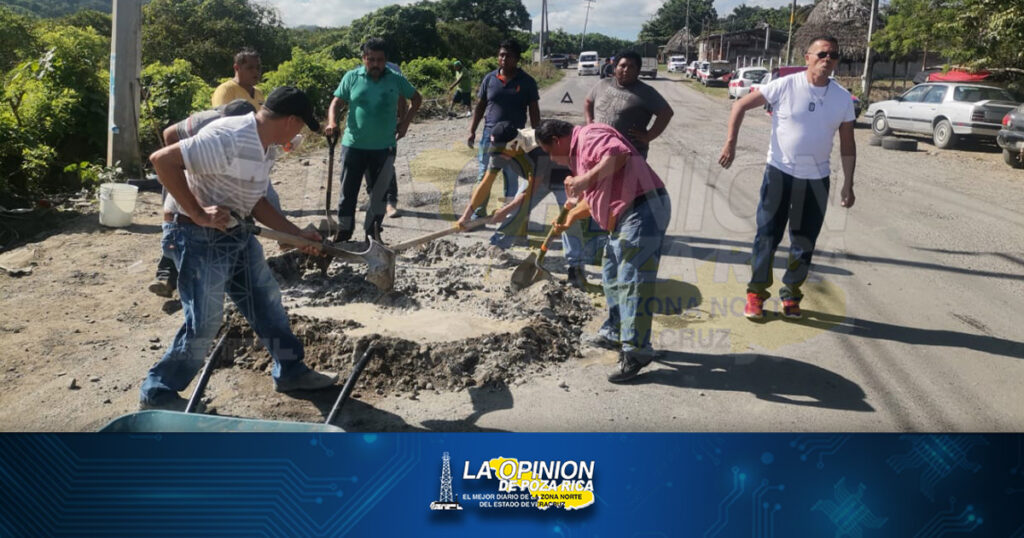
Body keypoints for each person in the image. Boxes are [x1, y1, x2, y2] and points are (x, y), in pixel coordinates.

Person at [139, 87, 339, 410]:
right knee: (205, 322)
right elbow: (161, 161)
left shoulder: (266, 146)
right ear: (290, 121)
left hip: (235, 230)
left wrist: (296, 234)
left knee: (265, 301)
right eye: (301, 126)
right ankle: (157, 392)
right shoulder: (230, 136)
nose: (300, 133)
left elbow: (256, 200)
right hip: (194, 235)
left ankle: (290, 370)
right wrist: (199, 214)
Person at [717, 35, 856, 320]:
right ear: (807, 57)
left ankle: (791, 295)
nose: (827, 59)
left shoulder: (842, 98)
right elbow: (739, 105)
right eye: (821, 54)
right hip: (780, 173)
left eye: (833, 55)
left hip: (817, 179)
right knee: (767, 236)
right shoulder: (785, 85)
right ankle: (756, 294)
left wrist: (848, 184)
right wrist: (730, 142)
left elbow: (848, 144)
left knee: (804, 241)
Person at [537, 119, 672, 383]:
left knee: (633, 281)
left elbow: (618, 154)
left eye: (549, 152)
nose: (552, 159)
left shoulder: (589, 136)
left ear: (556, 140)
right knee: (612, 276)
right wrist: (572, 216)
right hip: (624, 217)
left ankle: (636, 351)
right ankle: (614, 331)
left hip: (642, 210)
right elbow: (595, 195)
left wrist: (583, 179)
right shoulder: (581, 155)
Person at [455, 121, 592, 288]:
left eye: (502, 152)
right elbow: (485, 183)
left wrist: (505, 210)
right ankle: (497, 247)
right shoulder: (499, 151)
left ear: (514, 145)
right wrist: (466, 215)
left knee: (569, 221)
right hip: (534, 179)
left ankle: (576, 269)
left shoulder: (536, 149)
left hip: (562, 178)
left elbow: (532, 191)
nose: (498, 156)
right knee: (516, 210)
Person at [148, 99, 261, 298]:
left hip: (213, 186)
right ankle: (167, 274)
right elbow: (168, 138)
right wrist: (188, 167)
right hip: (180, 174)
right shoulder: (209, 124)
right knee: (180, 222)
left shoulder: (250, 138)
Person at [325, 38, 422, 244]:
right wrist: (332, 122)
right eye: (371, 60)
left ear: (386, 60)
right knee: (348, 192)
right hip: (353, 146)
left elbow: (416, 98)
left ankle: (373, 233)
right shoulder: (352, 77)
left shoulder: (395, 79)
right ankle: (343, 233)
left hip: (384, 148)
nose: (376, 64)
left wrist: (404, 123)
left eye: (380, 60)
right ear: (364, 59)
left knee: (379, 194)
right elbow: (336, 102)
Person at [467, 39, 541, 217]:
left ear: (517, 59)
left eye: (509, 56)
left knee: (511, 176)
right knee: (484, 175)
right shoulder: (489, 79)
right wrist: (472, 130)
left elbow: (534, 110)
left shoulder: (527, 82)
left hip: (514, 139)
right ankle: (478, 212)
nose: (504, 59)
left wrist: (537, 135)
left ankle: (508, 215)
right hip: (489, 136)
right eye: (501, 55)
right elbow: (480, 106)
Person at [585, 51, 674, 160]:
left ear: (638, 71)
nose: (626, 69)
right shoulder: (603, 84)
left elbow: (666, 113)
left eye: (631, 66)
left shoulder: (646, 92)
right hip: (599, 148)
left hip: (630, 154)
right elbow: (588, 102)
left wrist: (649, 136)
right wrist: (589, 123)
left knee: (627, 178)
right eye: (622, 66)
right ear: (614, 68)